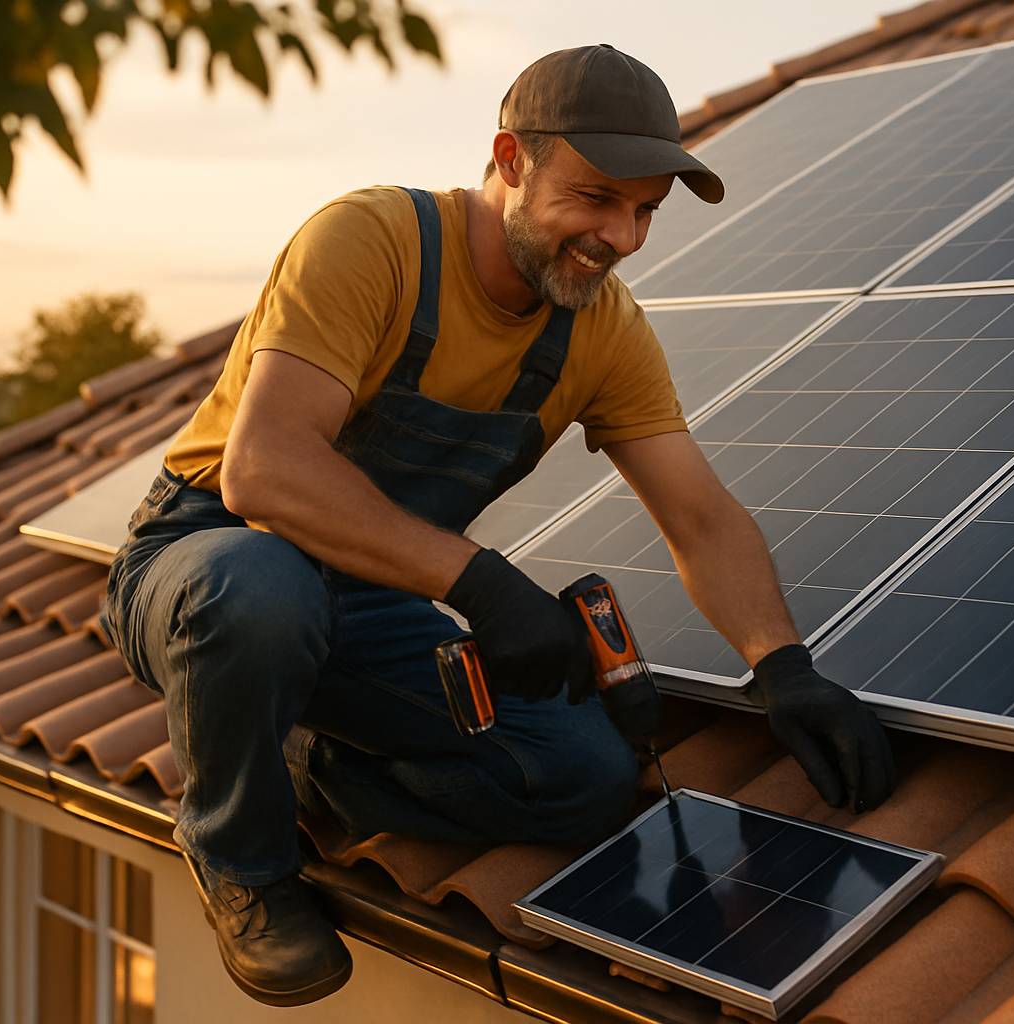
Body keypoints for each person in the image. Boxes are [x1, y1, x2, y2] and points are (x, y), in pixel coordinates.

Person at [101, 43, 896, 1007]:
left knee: (585, 779)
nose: (623, 238)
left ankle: (313, 759)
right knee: (262, 597)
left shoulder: (601, 329)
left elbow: (700, 514)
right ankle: (242, 862)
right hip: (204, 561)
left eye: (645, 211)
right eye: (597, 198)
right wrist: (478, 582)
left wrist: (782, 666)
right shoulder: (373, 241)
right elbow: (265, 469)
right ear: (510, 159)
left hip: (369, 600)